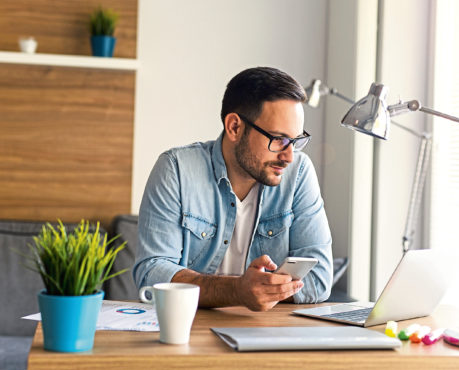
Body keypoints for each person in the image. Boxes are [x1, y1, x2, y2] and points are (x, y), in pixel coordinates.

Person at [133, 67, 333, 311]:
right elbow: (152, 273)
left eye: (296, 141)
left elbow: (320, 278)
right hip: (189, 329)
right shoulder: (176, 169)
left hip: (267, 332)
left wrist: (260, 292)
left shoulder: (299, 173)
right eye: (278, 139)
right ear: (235, 127)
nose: (289, 156)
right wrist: (238, 291)